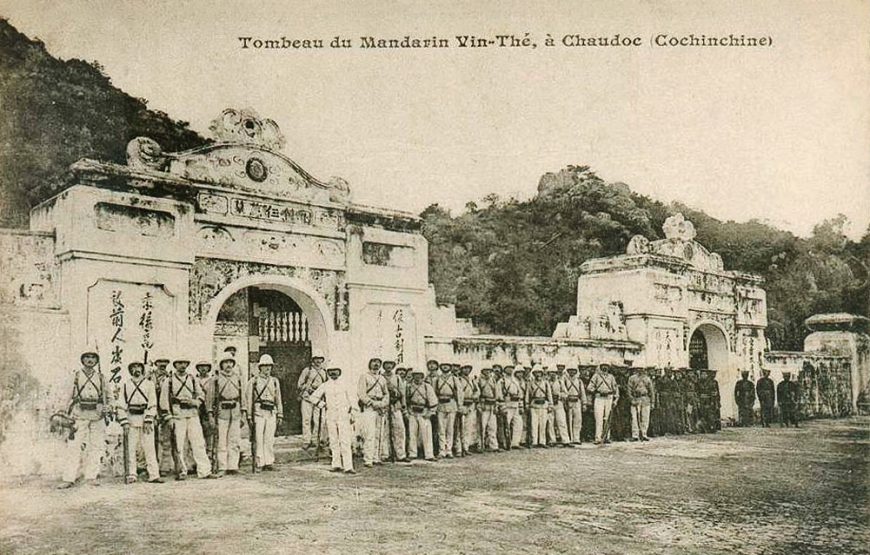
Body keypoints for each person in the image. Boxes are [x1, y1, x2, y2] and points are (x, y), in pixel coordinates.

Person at [58, 348, 110, 488]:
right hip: (79, 414)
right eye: (87, 357)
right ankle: (69, 478)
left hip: (97, 415)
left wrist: (108, 407)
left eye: (93, 357)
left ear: (96, 360)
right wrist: (62, 410)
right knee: (74, 446)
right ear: (82, 360)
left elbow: (108, 397)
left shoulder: (101, 377)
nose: (90, 360)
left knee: (96, 446)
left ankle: (91, 476)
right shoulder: (75, 376)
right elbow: (67, 394)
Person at [158, 354, 213, 480]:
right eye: (179, 363)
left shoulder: (192, 379)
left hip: (192, 414)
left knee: (198, 442)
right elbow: (164, 401)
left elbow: (200, 395)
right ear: (175, 365)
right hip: (178, 415)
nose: (182, 366)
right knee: (180, 444)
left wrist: (195, 402)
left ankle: (204, 471)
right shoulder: (169, 381)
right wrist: (169, 417)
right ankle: (182, 470)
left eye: (184, 363)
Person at [117, 360, 163, 484]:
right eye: (133, 367)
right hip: (131, 418)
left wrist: (149, 419)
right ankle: (132, 474)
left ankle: (153, 474)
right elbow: (121, 405)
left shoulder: (149, 384)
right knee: (131, 448)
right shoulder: (125, 385)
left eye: (138, 367)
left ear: (142, 369)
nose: (136, 369)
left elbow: (153, 403)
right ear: (130, 370)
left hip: (145, 418)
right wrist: (124, 421)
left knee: (149, 447)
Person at [309, 367, 357, 474]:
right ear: (328, 373)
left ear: (340, 372)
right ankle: (336, 464)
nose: (333, 373)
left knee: (345, 440)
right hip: (330, 415)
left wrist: (353, 413)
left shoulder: (345, 384)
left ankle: (348, 466)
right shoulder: (325, 385)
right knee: (333, 440)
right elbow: (312, 397)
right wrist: (322, 404)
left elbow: (353, 400)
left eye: (335, 371)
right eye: (331, 371)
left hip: (343, 415)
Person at [206, 354, 247, 477]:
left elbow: (242, 397)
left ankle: (233, 466)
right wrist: (210, 415)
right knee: (221, 441)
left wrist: (243, 413)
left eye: (231, 362)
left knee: (234, 440)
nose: (228, 365)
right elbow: (209, 399)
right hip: (221, 412)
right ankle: (222, 466)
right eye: (226, 362)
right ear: (221, 364)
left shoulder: (238, 378)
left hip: (235, 412)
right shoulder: (215, 379)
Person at [248, 354, 283, 472]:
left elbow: (278, 398)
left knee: (269, 438)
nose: (267, 368)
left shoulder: (274, 381)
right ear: (260, 367)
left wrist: (280, 413)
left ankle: (269, 461)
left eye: (269, 366)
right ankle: (260, 462)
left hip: (271, 411)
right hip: (258, 411)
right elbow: (249, 399)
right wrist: (248, 415)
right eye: (265, 366)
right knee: (258, 437)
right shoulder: (254, 381)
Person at [357, 357, 389, 467]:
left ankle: (377, 457)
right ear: (369, 364)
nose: (376, 364)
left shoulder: (382, 379)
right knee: (369, 434)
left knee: (379, 434)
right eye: (374, 362)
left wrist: (383, 404)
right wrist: (373, 403)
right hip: (369, 408)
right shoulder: (364, 377)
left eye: (378, 363)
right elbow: (361, 394)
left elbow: (386, 394)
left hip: (380, 408)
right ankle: (368, 459)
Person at [406, 368, 438, 461]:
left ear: (423, 376)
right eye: (415, 375)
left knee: (427, 434)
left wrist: (431, 412)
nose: (417, 377)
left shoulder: (427, 387)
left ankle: (429, 454)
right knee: (412, 433)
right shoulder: (409, 387)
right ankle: (412, 453)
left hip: (424, 411)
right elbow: (406, 401)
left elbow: (433, 400)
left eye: (420, 375)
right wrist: (408, 412)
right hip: (412, 411)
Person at [297, 353, 328, 450]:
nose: (318, 361)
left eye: (320, 359)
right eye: (316, 359)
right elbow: (300, 384)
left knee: (318, 420)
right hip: (307, 398)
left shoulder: (324, 372)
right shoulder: (307, 371)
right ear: (313, 360)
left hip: (318, 400)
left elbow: (326, 385)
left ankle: (315, 439)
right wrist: (308, 388)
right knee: (306, 420)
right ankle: (306, 440)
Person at [434, 362, 463, 458]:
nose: (445, 367)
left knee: (450, 429)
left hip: (451, 404)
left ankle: (449, 450)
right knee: (441, 429)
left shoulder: (455, 379)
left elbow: (459, 393)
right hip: (440, 405)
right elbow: (434, 394)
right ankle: (442, 450)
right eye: (443, 365)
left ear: (450, 367)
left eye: (447, 365)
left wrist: (460, 406)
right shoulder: (437, 379)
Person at [151, 356, 174, 476]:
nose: (163, 364)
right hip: (152, 409)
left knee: (166, 439)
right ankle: (152, 467)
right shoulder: (149, 376)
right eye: (160, 361)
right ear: (156, 363)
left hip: (165, 409)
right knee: (151, 440)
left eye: (165, 362)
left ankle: (164, 467)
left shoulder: (170, 377)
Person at [383, 360, 409, 462]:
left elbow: (402, 394)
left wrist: (403, 407)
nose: (388, 366)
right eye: (386, 364)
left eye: (390, 364)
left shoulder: (397, 378)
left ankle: (400, 454)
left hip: (395, 405)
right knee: (385, 431)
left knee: (399, 430)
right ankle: (385, 454)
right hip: (385, 406)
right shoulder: (380, 377)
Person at [588, 364, 619, 445]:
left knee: (608, 418)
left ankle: (606, 437)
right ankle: (598, 438)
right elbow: (589, 387)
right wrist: (596, 391)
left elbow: (615, 388)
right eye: (603, 366)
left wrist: (615, 399)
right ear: (601, 368)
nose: (605, 368)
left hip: (609, 398)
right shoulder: (596, 376)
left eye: (607, 367)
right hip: (599, 398)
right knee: (599, 418)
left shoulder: (611, 377)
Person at [499, 365, 525, 448]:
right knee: (506, 425)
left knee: (518, 424)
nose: (510, 370)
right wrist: (502, 406)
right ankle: (504, 443)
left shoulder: (516, 381)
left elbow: (519, 394)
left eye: (512, 368)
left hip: (516, 405)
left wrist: (521, 406)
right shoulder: (502, 381)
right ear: (505, 369)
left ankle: (515, 443)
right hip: (507, 404)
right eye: (508, 368)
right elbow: (500, 394)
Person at [476, 367, 501, 452]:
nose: (487, 372)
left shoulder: (493, 380)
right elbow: (477, 393)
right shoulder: (478, 380)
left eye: (489, 370)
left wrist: (496, 405)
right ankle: (480, 445)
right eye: (485, 370)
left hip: (492, 405)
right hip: (483, 405)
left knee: (492, 427)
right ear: (482, 371)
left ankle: (493, 446)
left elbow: (496, 393)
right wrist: (479, 404)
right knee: (481, 426)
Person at [525, 366, 551, 447]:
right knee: (534, 424)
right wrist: (526, 404)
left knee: (543, 424)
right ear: (533, 374)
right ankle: (534, 441)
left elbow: (549, 394)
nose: (538, 374)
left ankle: (542, 442)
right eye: (536, 372)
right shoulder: (530, 383)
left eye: (539, 372)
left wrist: (550, 404)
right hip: (534, 405)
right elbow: (527, 394)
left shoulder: (546, 383)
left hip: (543, 405)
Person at [627, 367, 656, 442]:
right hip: (636, 399)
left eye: (642, 369)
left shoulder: (647, 379)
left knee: (645, 417)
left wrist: (652, 402)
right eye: (639, 369)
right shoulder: (632, 378)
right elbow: (629, 390)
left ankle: (644, 434)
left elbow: (651, 391)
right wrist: (631, 399)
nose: (640, 371)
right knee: (634, 417)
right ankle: (635, 435)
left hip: (645, 399)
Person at [455, 364, 478, 456]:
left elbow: (477, 390)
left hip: (470, 404)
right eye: (465, 368)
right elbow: (457, 392)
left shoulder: (472, 380)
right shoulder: (458, 379)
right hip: (462, 404)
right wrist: (460, 404)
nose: (467, 370)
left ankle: (466, 447)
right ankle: (458, 448)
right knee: (459, 427)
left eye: (468, 368)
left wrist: (474, 397)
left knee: (468, 427)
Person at [562, 367, 587, 446]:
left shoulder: (579, 381)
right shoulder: (565, 380)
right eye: (570, 371)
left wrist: (584, 404)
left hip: (577, 401)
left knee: (578, 420)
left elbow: (582, 393)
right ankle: (570, 438)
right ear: (568, 371)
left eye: (573, 371)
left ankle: (576, 438)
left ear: (576, 372)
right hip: (569, 401)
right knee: (569, 420)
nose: (572, 372)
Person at [546, 367, 570, 447]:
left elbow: (566, 394)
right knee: (550, 422)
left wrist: (559, 395)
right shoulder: (546, 382)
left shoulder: (560, 382)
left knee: (562, 421)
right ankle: (552, 440)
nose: (552, 374)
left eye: (554, 372)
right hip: (549, 404)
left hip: (559, 403)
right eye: (550, 372)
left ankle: (565, 440)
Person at [425, 359, 441, 456]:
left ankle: (438, 449)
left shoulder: (440, 378)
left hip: (440, 405)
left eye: (433, 364)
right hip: (429, 405)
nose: (431, 366)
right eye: (430, 364)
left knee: (439, 428)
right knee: (429, 428)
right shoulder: (426, 379)